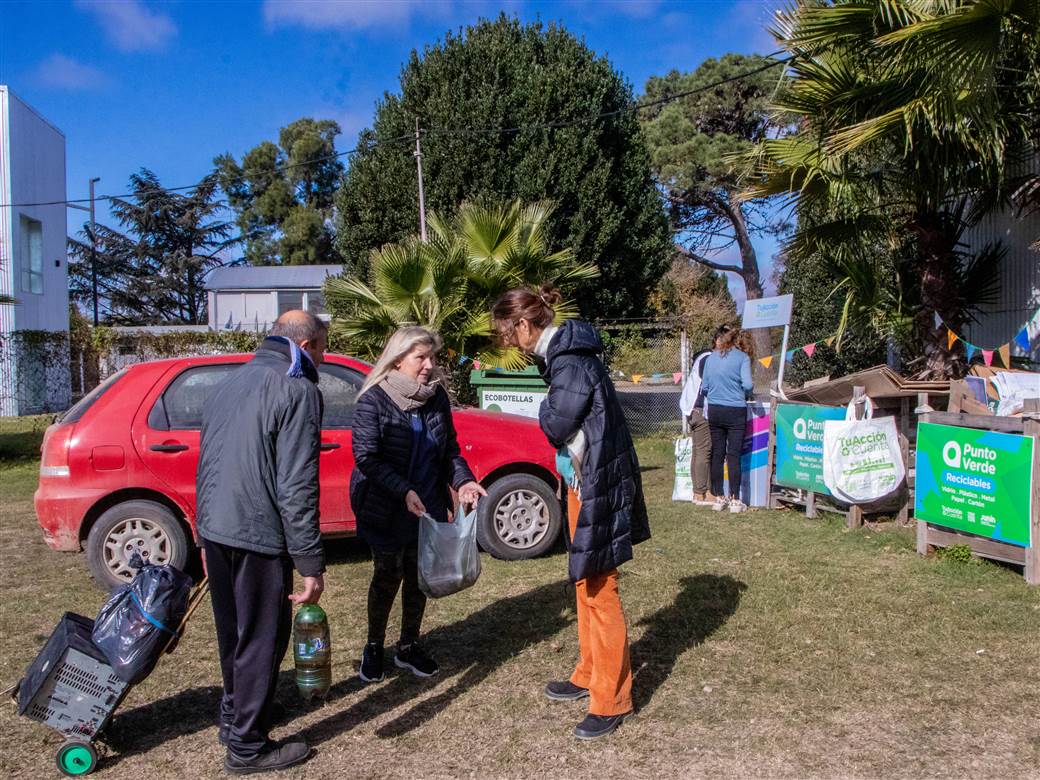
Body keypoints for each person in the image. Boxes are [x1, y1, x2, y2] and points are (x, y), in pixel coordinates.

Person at [491, 285, 650, 741]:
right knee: (584, 579)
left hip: (598, 481)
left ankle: (612, 698)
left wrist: (548, 416)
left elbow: (555, 422)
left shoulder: (569, 360)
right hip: (588, 478)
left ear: (524, 324)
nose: (508, 342)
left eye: (507, 332)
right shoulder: (566, 355)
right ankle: (588, 673)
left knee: (599, 585)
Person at [196, 310, 328, 774]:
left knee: (234, 631)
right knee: (261, 637)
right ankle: (248, 746)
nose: (324, 357)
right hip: (256, 532)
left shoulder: (228, 383)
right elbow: (296, 484)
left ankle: (235, 716)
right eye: (324, 348)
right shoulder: (298, 389)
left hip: (217, 527)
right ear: (308, 345)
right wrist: (310, 562)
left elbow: (206, 463)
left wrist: (201, 535)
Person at [350, 326, 486, 683]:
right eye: (420, 358)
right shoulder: (373, 400)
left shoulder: (436, 398)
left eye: (432, 357)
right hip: (385, 505)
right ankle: (374, 646)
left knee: (418, 576)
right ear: (398, 359)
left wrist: (463, 480)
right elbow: (367, 458)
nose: (429, 365)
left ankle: (408, 646)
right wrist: (403, 490)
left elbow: (449, 452)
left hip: (426, 506)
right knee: (386, 575)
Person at [699, 325, 754, 513]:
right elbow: (747, 384)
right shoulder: (742, 358)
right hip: (735, 409)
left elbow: (704, 387)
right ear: (735, 340)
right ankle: (736, 499)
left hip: (715, 410)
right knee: (733, 455)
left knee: (717, 453)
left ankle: (719, 497)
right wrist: (742, 392)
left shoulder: (710, 358)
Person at [678, 325, 732, 506]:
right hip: (700, 411)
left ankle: (700, 491)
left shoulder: (705, 358)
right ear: (717, 341)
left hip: (693, 410)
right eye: (727, 342)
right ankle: (702, 493)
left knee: (699, 451)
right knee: (705, 451)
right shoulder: (709, 360)